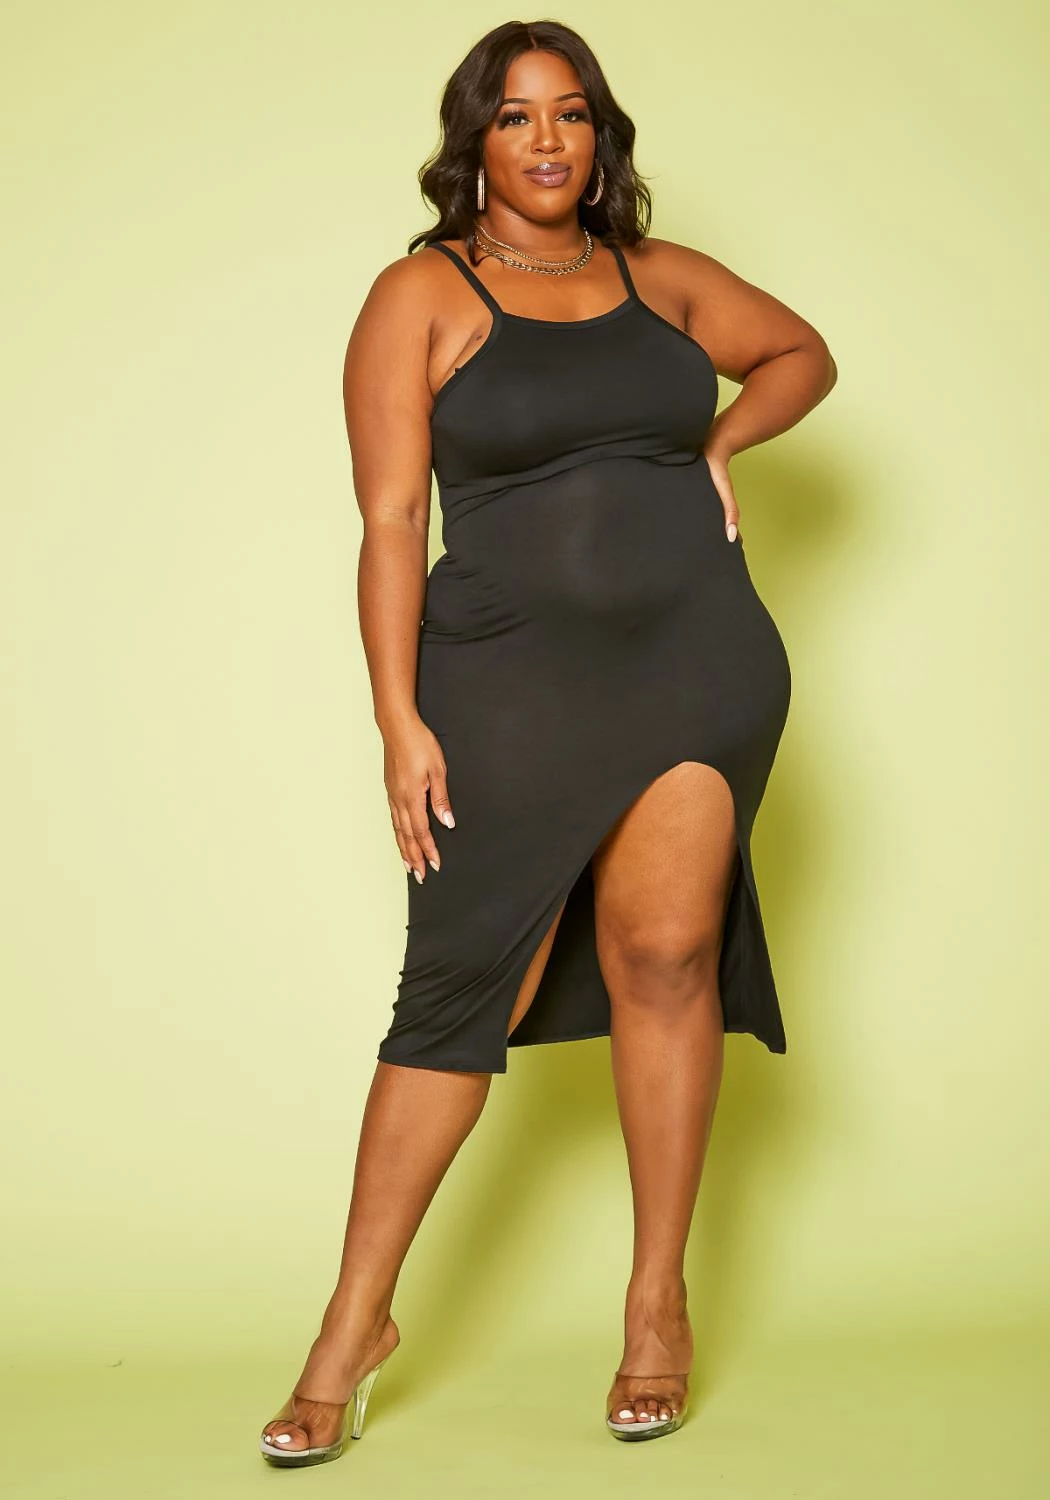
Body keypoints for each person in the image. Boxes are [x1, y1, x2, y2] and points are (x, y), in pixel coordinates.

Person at [260, 18, 836, 1465]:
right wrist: (397, 716)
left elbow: (800, 354)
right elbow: (391, 519)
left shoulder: (659, 278)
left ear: (599, 135)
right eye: (515, 117)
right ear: (474, 140)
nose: (546, 140)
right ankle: (350, 1329)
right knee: (460, 990)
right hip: (507, 680)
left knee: (667, 958)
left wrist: (718, 446)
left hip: (698, 664)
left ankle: (655, 1306)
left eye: (570, 114)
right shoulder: (422, 293)